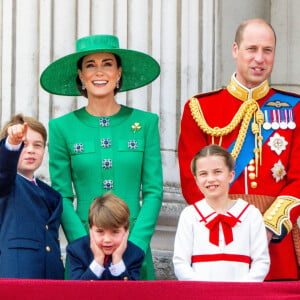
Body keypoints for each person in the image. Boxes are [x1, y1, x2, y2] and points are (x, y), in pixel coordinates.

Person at [178, 18, 300, 280]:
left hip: (275, 244)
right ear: (235, 50)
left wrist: (268, 226)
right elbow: (191, 180)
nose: (259, 58)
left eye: (267, 50)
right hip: (217, 242)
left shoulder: (295, 109)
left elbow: (299, 180)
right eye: (251, 49)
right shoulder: (199, 109)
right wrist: (227, 225)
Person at [40, 34, 163, 280]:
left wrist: (136, 244)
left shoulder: (146, 123)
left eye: (107, 64)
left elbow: (153, 191)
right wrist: (83, 244)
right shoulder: (61, 127)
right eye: (90, 65)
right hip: (85, 250)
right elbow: (62, 194)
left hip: (134, 243)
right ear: (81, 75)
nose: (99, 72)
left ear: (118, 73)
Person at [173, 144, 270, 281]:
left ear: (231, 175)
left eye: (217, 172)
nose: (210, 179)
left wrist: (243, 291)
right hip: (201, 294)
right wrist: (201, 290)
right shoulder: (190, 215)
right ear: (196, 180)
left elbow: (261, 261)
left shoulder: (250, 214)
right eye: (203, 174)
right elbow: (180, 262)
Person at [0, 114, 64, 279]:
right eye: (23, 144)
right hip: (16, 277)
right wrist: (11, 144)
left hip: (50, 279)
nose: (30, 150)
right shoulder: (7, 183)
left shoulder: (51, 193)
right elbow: (3, 171)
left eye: (38, 145)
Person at [67, 192, 145, 280]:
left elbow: (131, 292)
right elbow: (77, 291)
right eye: (100, 231)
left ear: (126, 230)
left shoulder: (135, 254)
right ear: (91, 229)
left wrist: (118, 261)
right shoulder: (76, 250)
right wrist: (98, 260)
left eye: (115, 232)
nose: (107, 240)